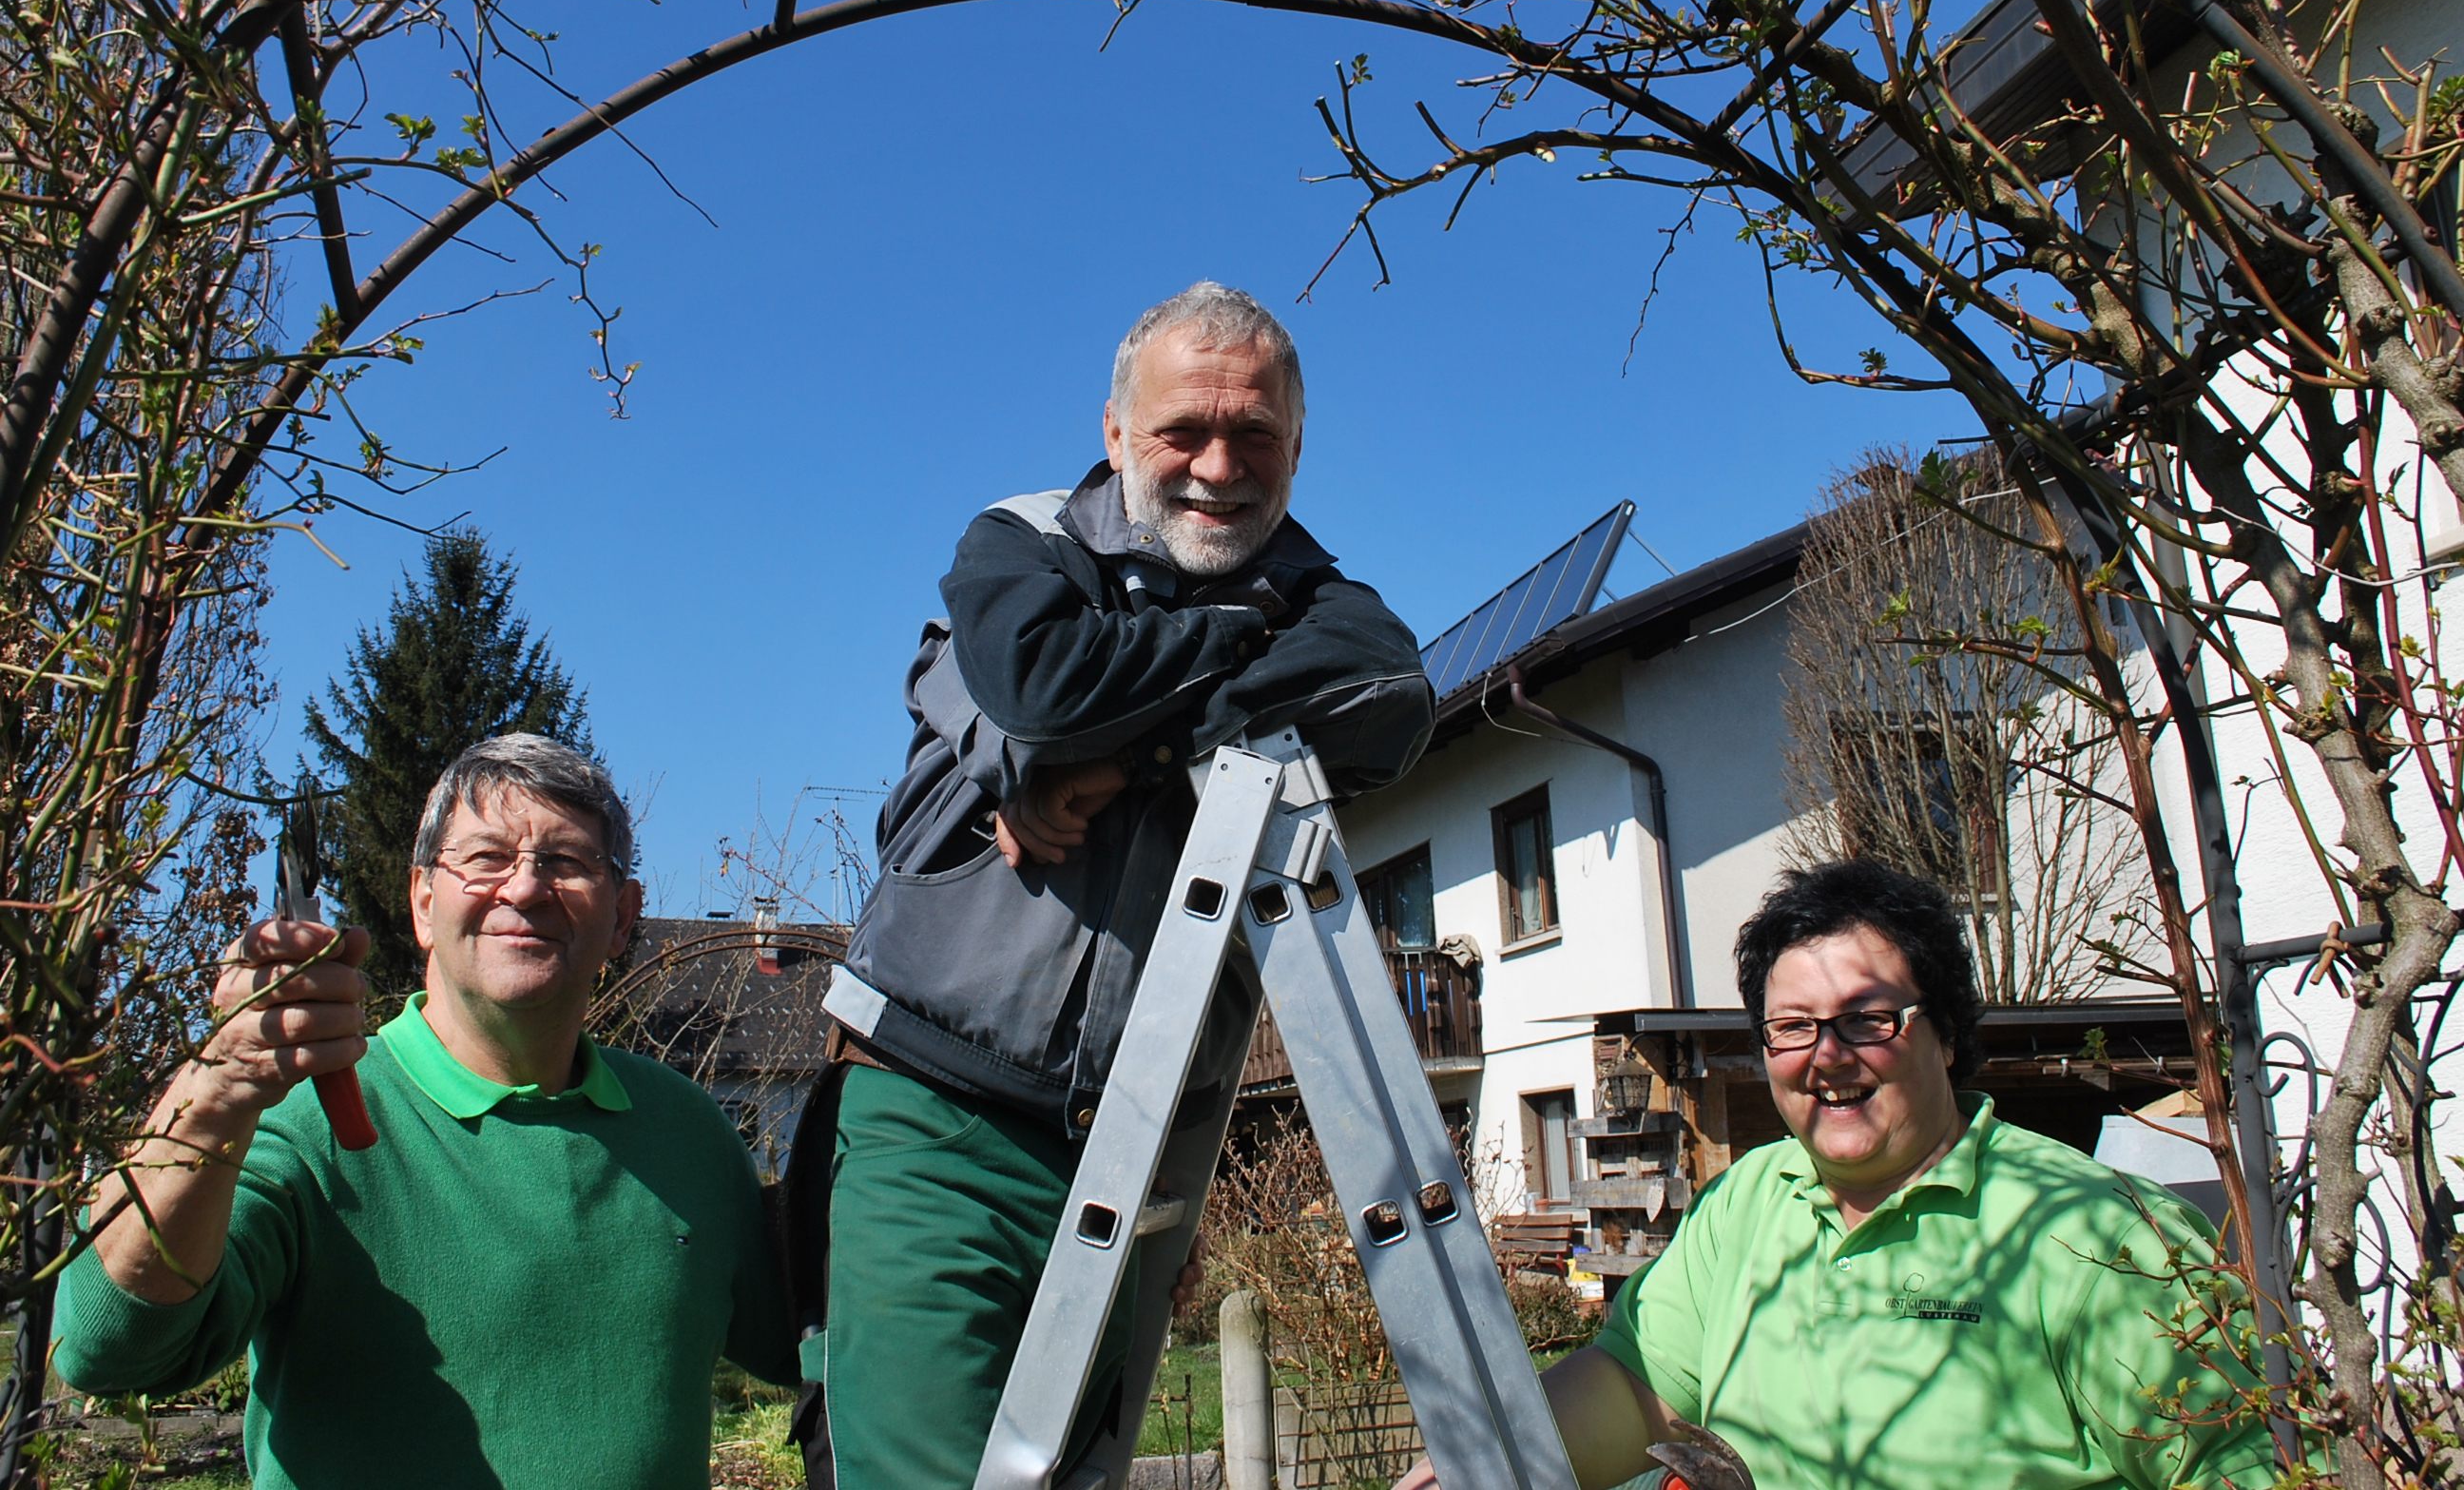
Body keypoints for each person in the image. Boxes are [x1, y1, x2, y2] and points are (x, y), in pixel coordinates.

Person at [799, 281, 1434, 1489]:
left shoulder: (1316, 591)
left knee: (1069, 1473)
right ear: (1113, 435)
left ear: (1298, 448)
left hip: (1137, 1145)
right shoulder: (1021, 545)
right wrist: (1241, 654)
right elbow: (1042, 687)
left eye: (1255, 435)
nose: (1217, 465)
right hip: (944, 1103)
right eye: (1182, 430)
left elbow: (1390, 697)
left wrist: (1131, 750)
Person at [53, 734, 797, 1489]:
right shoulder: (302, 1123)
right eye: (485, 858)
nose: (526, 887)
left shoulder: (686, 1128)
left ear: (623, 916)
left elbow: (802, 1343)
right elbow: (109, 1348)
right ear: (421, 903)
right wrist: (213, 1093)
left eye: (567, 862)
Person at [1398, 858, 2279, 1490]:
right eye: (1792, 1027)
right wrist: (1491, 1455)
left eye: (1868, 1019)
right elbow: (1640, 1391)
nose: (1827, 1056)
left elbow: (2239, 1466)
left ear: (1945, 1034)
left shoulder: (2101, 1234)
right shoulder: (1747, 1202)